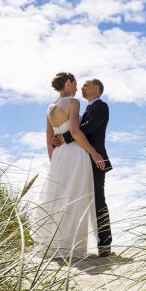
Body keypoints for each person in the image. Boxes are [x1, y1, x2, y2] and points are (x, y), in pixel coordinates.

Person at [30, 72, 106, 259]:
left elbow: (49, 140)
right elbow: (75, 131)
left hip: (59, 157)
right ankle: (71, 244)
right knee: (75, 196)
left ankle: (54, 243)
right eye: (75, 84)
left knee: (57, 196)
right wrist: (93, 152)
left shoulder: (50, 108)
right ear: (68, 82)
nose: (76, 88)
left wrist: (54, 162)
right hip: (75, 153)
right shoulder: (73, 102)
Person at [53, 78, 113, 257]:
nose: (82, 88)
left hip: (96, 160)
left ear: (97, 88)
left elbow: (88, 127)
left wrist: (65, 137)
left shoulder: (101, 106)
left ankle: (105, 245)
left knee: (98, 200)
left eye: (86, 85)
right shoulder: (84, 109)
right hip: (79, 160)